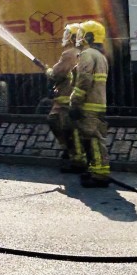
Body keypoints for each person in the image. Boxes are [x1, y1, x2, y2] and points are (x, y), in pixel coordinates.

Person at [69, 20, 111, 188]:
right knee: (96, 139)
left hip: (89, 104)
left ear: (90, 37)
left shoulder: (87, 54)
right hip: (99, 104)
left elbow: (84, 80)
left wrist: (74, 101)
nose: (78, 37)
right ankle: (96, 170)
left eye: (81, 34)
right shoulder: (100, 56)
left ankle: (99, 175)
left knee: (93, 139)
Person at [45, 22, 86, 173]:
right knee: (69, 127)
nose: (65, 37)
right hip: (74, 96)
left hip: (66, 97)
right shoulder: (83, 52)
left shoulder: (69, 54)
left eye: (68, 34)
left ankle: (74, 157)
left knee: (60, 124)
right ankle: (73, 155)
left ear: (73, 38)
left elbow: (56, 74)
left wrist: (48, 71)